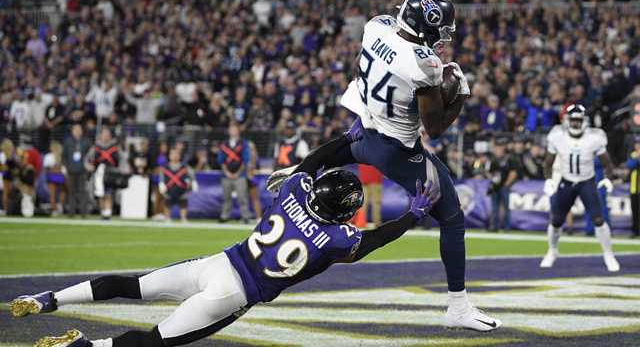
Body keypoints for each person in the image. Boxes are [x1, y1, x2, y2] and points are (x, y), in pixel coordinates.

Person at [266, 0, 500, 330]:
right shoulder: (425, 64)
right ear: (427, 24)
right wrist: (460, 94)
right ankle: (458, 307)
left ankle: (303, 171)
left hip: (362, 130)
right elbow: (434, 128)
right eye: (442, 29)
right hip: (397, 152)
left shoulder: (376, 26)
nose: (444, 38)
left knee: (344, 147)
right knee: (451, 216)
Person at [10, 169, 438, 347]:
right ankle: (86, 346)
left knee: (135, 285)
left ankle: (52, 298)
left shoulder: (292, 191)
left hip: (215, 263)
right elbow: (372, 240)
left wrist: (345, 140)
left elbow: (311, 169)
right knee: (155, 342)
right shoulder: (336, 239)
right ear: (344, 210)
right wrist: (411, 217)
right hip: (233, 293)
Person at [540, 104, 619, 271]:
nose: (575, 124)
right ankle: (552, 250)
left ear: (584, 121)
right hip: (566, 181)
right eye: (573, 120)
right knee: (556, 220)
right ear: (567, 121)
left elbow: (608, 164)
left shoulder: (594, 137)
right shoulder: (557, 136)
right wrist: (548, 180)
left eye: (578, 120)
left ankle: (608, 254)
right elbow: (547, 163)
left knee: (598, 219)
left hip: (586, 181)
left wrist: (608, 178)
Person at [217, 123, 251, 222]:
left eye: (234, 129)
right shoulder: (224, 144)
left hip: (240, 175)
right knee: (226, 197)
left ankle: (245, 216)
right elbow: (221, 160)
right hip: (225, 175)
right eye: (231, 129)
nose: (233, 131)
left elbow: (245, 160)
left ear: (238, 131)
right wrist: (227, 172)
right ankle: (224, 216)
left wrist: (238, 173)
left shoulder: (243, 143)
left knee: (242, 197)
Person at [486, 138, 520, 231]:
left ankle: (506, 227)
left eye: (499, 147)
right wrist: (493, 181)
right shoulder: (493, 160)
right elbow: (489, 172)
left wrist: (506, 184)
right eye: (497, 147)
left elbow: (513, 173)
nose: (498, 149)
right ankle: (494, 226)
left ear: (503, 148)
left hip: (504, 186)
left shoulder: (510, 158)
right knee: (494, 207)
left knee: (505, 207)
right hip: (495, 186)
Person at [85, 128, 120, 220]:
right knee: (100, 193)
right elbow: (87, 159)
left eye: (107, 134)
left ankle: (108, 213)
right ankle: (103, 212)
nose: (105, 136)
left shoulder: (115, 147)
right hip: (99, 173)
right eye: (104, 134)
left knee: (108, 193)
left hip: (110, 173)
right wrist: (89, 165)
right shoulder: (96, 147)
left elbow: (120, 160)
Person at [159, 148, 196, 223]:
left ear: (179, 156)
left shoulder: (185, 167)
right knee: (167, 203)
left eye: (176, 154)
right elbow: (162, 177)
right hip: (169, 190)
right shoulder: (165, 168)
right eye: (172, 154)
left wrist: (193, 183)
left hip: (182, 190)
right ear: (169, 156)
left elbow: (192, 176)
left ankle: (183, 218)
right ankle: (167, 218)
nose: (174, 156)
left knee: (183, 203)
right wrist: (161, 184)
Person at [62, 124, 91, 218]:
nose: (78, 131)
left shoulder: (86, 142)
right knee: (71, 192)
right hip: (70, 170)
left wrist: (88, 168)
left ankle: (83, 213)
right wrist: (65, 167)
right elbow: (64, 156)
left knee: (82, 192)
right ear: (72, 131)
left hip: (82, 171)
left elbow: (90, 156)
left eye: (79, 129)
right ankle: (71, 213)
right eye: (76, 129)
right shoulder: (68, 141)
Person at [43, 141, 65, 216]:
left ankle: (54, 210)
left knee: (52, 194)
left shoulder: (48, 156)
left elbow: (46, 168)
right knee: (62, 193)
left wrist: (47, 176)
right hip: (60, 176)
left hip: (51, 176)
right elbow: (63, 169)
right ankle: (60, 207)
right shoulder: (61, 156)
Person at [626, 137, 640, 238]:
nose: (638, 146)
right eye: (637, 144)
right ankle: (635, 231)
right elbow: (631, 165)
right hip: (634, 188)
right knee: (634, 210)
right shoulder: (632, 155)